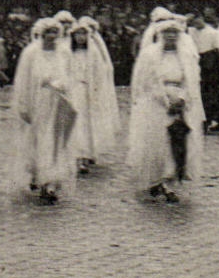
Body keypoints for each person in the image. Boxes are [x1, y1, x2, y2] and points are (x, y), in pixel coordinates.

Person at [127, 11, 204, 203]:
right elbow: (146, 81)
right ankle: (156, 179)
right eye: (167, 32)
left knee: (176, 141)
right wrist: (164, 100)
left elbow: (192, 80)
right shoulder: (150, 54)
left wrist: (182, 99)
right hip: (156, 103)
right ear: (160, 34)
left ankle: (171, 181)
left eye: (174, 32)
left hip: (180, 100)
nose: (170, 36)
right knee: (157, 141)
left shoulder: (186, 55)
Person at [13, 17, 81, 204]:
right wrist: (24, 105)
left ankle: (51, 181)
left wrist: (64, 87)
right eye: (48, 32)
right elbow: (23, 81)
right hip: (38, 102)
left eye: (54, 32)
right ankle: (38, 173)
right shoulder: (31, 53)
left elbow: (72, 75)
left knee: (56, 140)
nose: (51, 36)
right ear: (41, 34)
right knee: (39, 139)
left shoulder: (64, 53)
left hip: (60, 101)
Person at [67, 16, 120, 174]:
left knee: (86, 124)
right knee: (74, 123)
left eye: (83, 34)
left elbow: (99, 74)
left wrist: (96, 91)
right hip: (71, 91)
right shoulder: (67, 52)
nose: (80, 37)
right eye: (77, 34)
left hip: (87, 92)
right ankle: (74, 156)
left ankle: (85, 156)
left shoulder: (93, 53)